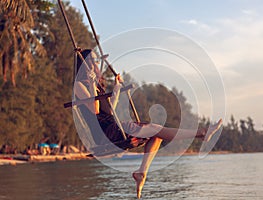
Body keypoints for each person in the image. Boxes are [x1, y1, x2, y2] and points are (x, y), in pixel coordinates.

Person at [74, 49, 223, 199]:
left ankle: (141, 172)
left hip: (115, 127)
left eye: (97, 60)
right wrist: (93, 85)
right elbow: (94, 110)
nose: (96, 63)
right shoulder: (79, 86)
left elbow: (110, 111)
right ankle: (200, 133)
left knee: (157, 135)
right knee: (156, 129)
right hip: (106, 134)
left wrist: (116, 89)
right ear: (84, 64)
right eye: (92, 60)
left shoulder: (97, 85)